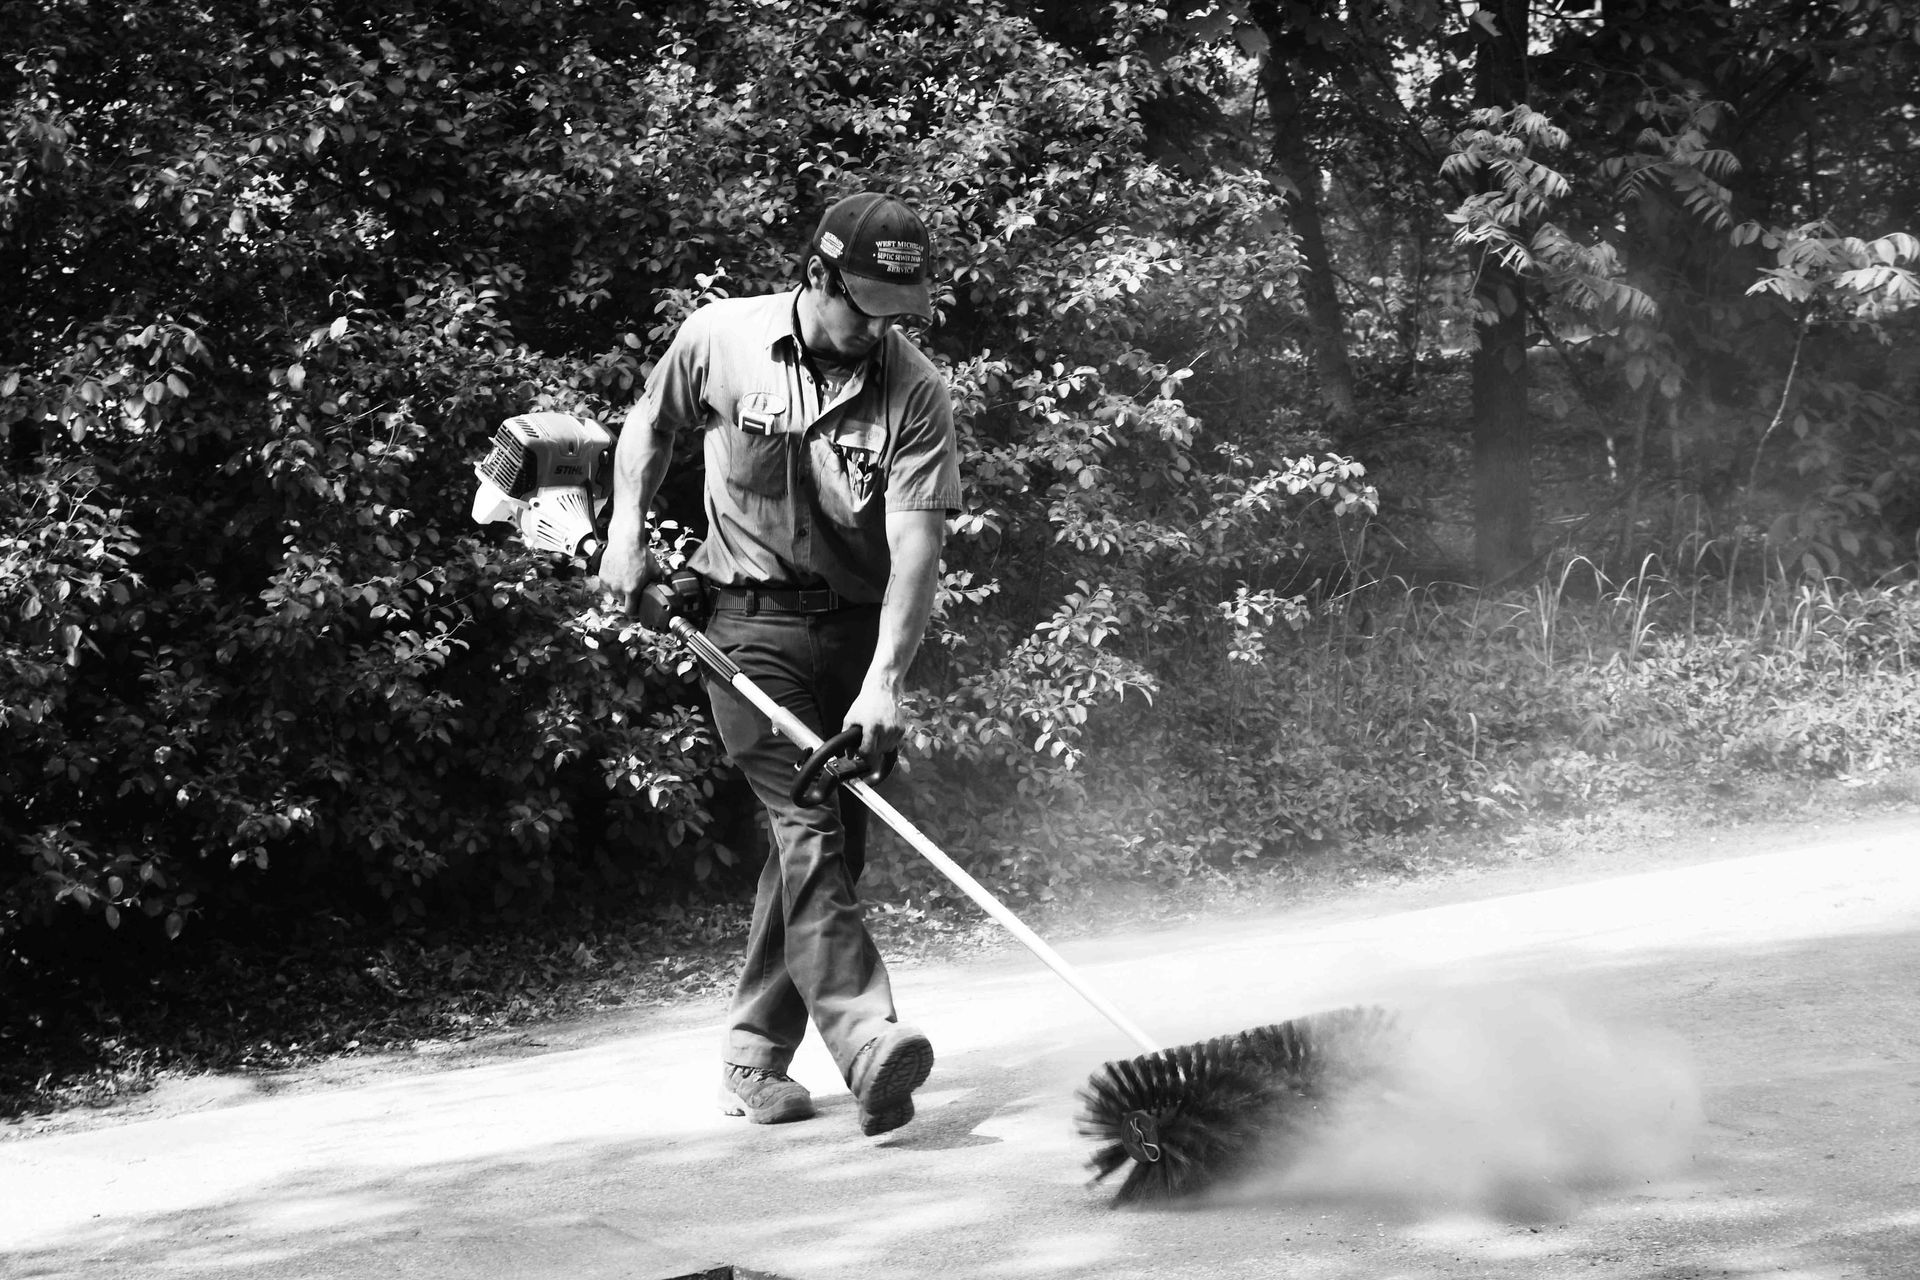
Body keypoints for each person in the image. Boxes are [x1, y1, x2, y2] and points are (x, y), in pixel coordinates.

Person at [594, 192, 959, 1136]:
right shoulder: (722, 338)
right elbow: (649, 425)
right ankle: (868, 1039)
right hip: (744, 622)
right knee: (808, 820)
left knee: (836, 839)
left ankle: (752, 1060)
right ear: (818, 275)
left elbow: (916, 546)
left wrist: (887, 680)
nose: (878, 325)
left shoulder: (914, 387)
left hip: (856, 632)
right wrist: (625, 536)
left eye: (896, 309)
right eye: (864, 302)